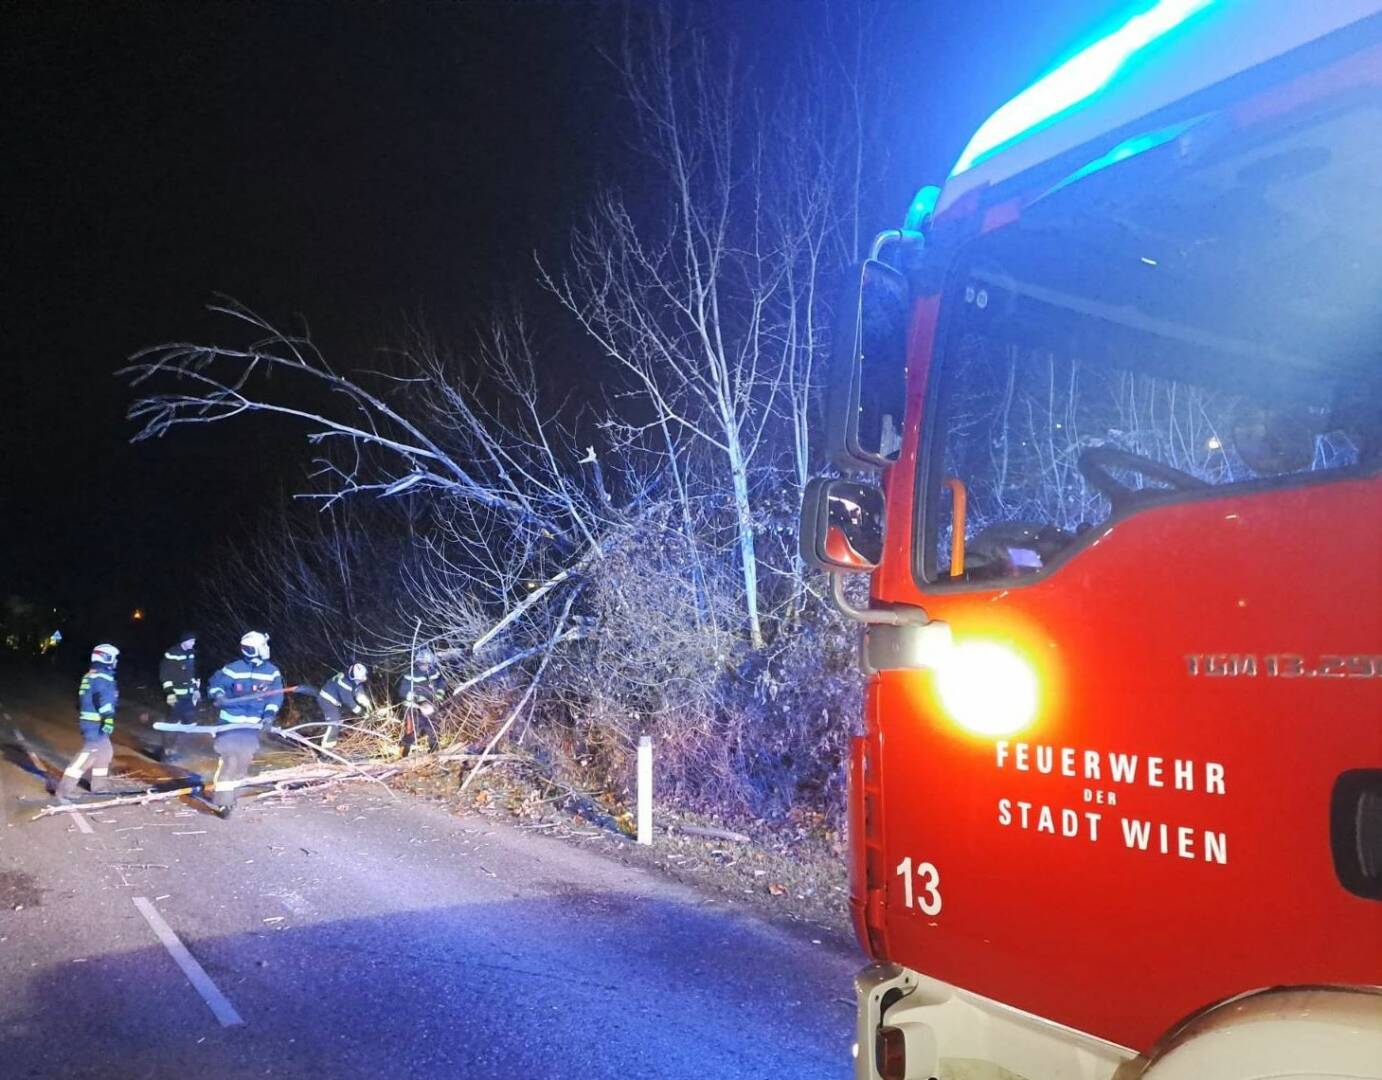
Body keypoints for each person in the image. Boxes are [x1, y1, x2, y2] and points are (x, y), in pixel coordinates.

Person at [205, 630, 283, 819]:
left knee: (243, 761)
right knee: (230, 760)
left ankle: (230, 791)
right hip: (229, 724)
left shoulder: (272, 672)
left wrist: (269, 715)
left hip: (251, 727)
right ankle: (223, 803)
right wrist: (219, 695)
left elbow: (275, 696)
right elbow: (215, 684)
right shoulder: (234, 669)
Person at [55, 644, 120, 800]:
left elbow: (83, 699)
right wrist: (108, 718)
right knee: (88, 754)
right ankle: (65, 789)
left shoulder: (91, 675)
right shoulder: (102, 677)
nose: (116, 661)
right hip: (95, 722)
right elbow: (104, 700)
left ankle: (99, 786)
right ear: (107, 658)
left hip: (91, 720)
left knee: (105, 752)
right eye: (114, 658)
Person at [158, 631, 199, 763]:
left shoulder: (191, 654)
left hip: (188, 695)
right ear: (184, 641)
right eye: (191, 641)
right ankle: (167, 751)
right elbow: (165, 674)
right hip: (175, 696)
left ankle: (176, 749)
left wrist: (196, 690)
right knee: (172, 723)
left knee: (188, 723)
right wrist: (170, 692)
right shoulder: (172, 653)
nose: (194, 643)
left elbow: (191, 674)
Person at [397, 646, 443, 756]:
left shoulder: (434, 673)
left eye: (426, 664)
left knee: (432, 727)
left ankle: (434, 750)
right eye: (422, 664)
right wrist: (417, 700)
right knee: (413, 730)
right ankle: (403, 753)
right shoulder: (411, 675)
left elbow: (441, 683)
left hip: (429, 706)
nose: (424, 666)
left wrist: (439, 695)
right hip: (413, 708)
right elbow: (403, 691)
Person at [317, 662, 372, 749]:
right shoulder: (345, 684)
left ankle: (329, 740)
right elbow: (349, 702)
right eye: (362, 678)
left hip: (335, 700)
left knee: (339, 719)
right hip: (327, 699)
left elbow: (358, 690)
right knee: (334, 723)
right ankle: (326, 750)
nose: (364, 679)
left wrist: (367, 703)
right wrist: (363, 713)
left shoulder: (351, 676)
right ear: (356, 677)